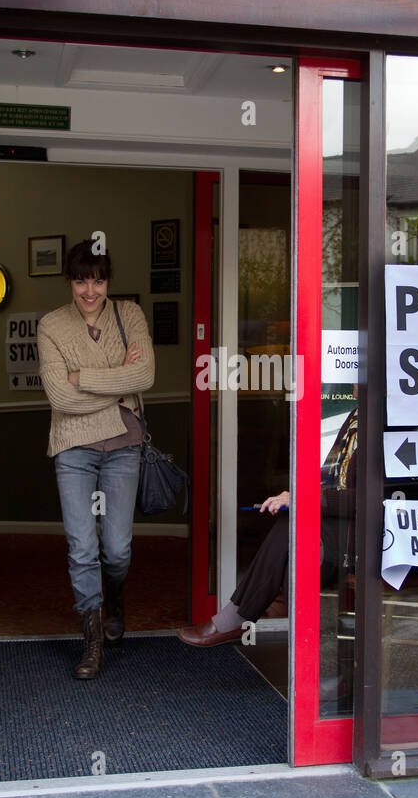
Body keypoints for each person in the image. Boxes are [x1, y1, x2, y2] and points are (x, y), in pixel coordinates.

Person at [36, 240, 154, 679]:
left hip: (124, 446)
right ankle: (92, 641)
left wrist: (81, 377)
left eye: (98, 280)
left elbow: (144, 375)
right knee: (83, 547)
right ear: (70, 280)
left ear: (108, 281)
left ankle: (116, 596)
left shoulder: (130, 316)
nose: (90, 290)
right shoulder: (51, 325)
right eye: (82, 280)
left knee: (118, 550)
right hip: (72, 448)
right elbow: (58, 397)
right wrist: (115, 383)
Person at [179, 407, 358, 646]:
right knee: (291, 537)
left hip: (367, 535)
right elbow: (335, 480)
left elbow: (372, 497)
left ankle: (239, 618)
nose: (357, 380)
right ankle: (259, 616)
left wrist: (303, 499)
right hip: (340, 526)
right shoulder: (356, 417)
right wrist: (296, 498)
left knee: (290, 531)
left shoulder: (387, 425)